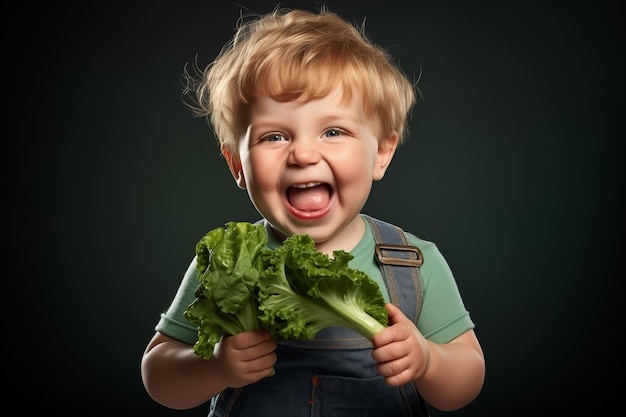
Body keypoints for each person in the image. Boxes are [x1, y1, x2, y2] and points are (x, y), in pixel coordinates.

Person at [141, 6, 485, 417]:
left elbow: (464, 385)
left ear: (382, 153)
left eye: (333, 131)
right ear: (237, 165)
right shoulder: (229, 263)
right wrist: (215, 367)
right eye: (274, 136)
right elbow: (159, 378)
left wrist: (428, 360)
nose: (303, 153)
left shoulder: (413, 262)